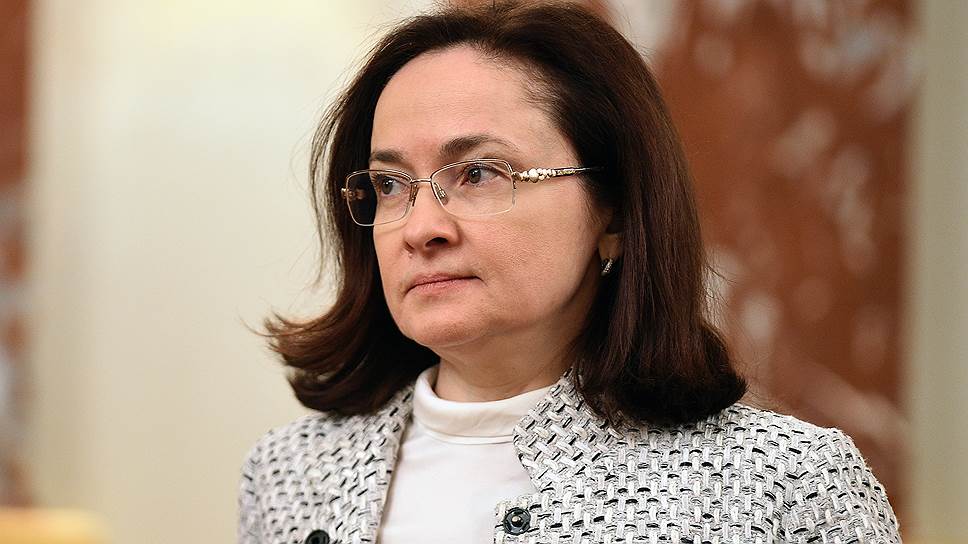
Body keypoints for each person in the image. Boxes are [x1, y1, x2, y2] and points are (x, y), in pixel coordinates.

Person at [238, 2, 901, 543]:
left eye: (479, 173)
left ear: (613, 211)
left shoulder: (786, 486)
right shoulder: (290, 476)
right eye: (389, 185)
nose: (421, 228)